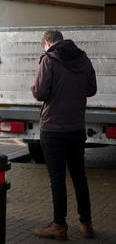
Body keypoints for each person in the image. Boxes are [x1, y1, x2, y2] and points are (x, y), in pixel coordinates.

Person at [31, 30, 97, 240]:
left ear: (48, 43)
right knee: (79, 176)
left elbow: (40, 93)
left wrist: (35, 87)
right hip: (76, 127)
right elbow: (91, 89)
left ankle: (59, 225)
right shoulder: (83, 59)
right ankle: (86, 224)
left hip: (53, 129)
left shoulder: (49, 60)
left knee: (57, 179)